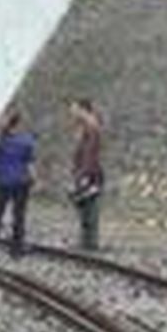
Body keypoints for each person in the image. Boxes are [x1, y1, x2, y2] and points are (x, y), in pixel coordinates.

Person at [0, 111, 36, 257]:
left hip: (2, 181)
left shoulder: (0, 141)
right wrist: (34, 179)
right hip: (21, 181)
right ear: (18, 124)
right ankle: (16, 247)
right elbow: (30, 163)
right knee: (18, 215)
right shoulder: (27, 141)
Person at [70, 99, 104, 251]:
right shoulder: (85, 126)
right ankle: (86, 240)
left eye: (75, 108)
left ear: (83, 109)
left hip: (89, 172)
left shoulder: (91, 127)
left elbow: (90, 153)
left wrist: (85, 174)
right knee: (84, 206)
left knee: (89, 206)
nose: (72, 111)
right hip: (84, 171)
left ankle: (90, 242)